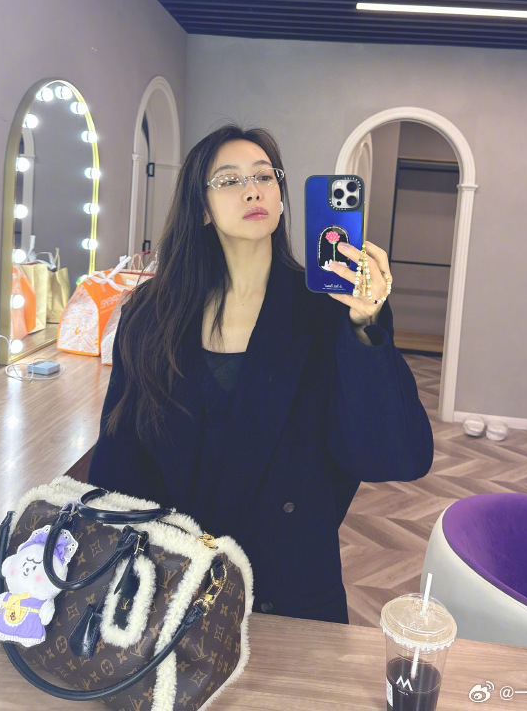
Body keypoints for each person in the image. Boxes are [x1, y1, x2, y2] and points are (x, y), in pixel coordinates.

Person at [88, 124, 433, 623]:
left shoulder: (330, 312)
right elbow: (120, 458)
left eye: (264, 176)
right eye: (229, 180)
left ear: (281, 196)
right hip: (172, 588)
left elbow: (392, 457)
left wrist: (364, 326)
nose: (252, 190)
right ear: (202, 209)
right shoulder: (151, 314)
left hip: (288, 593)